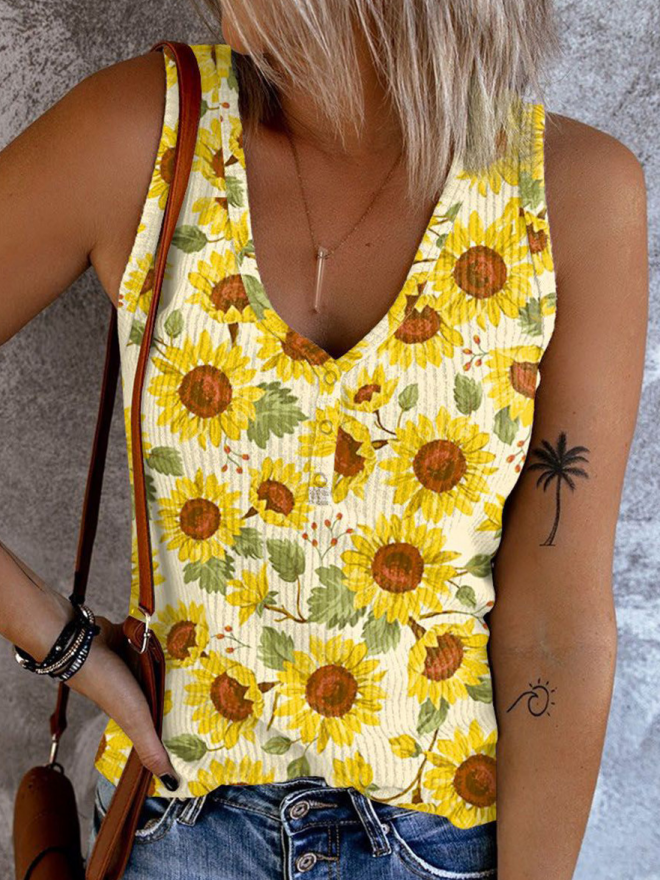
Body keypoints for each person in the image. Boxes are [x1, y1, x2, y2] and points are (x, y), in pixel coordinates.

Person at [0, 2, 649, 878]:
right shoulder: (145, 134)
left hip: (444, 845)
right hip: (180, 827)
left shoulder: (572, 194)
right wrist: (63, 643)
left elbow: (556, 623)